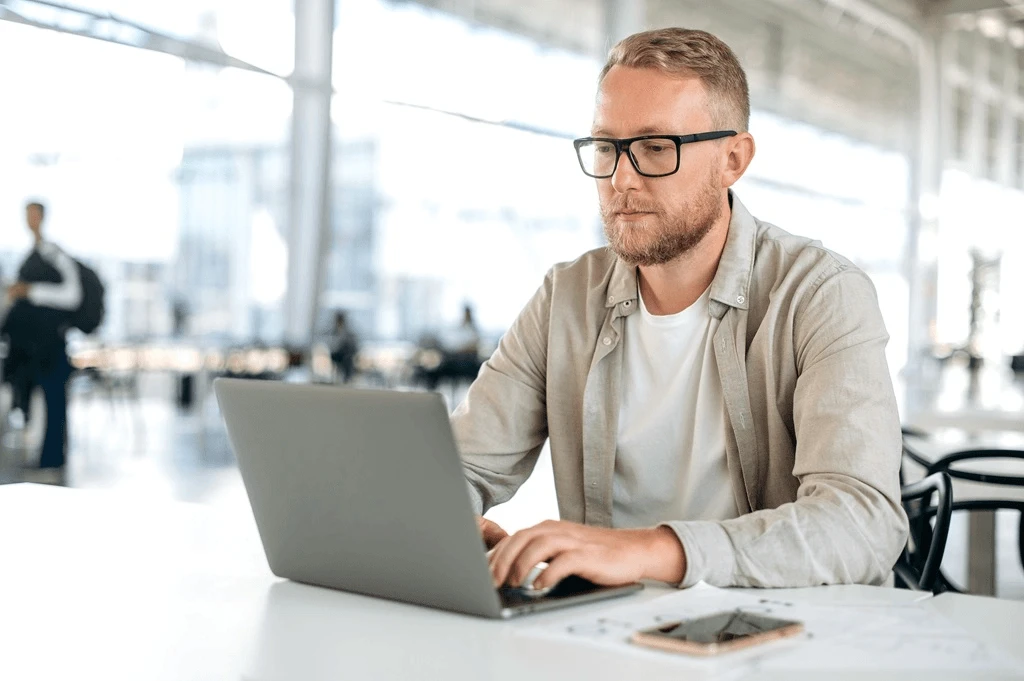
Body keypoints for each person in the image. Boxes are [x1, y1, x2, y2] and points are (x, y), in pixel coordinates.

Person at [454, 28, 908, 592]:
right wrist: (439, 517)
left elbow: (862, 524)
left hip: (779, 633)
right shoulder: (566, 297)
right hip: (606, 631)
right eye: (606, 147)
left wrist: (651, 551)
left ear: (733, 159)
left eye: (655, 148)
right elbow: (463, 468)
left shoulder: (820, 293)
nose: (621, 178)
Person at [2, 201, 81, 473]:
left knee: (54, 402)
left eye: (34, 215)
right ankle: (45, 459)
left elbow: (72, 296)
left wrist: (30, 291)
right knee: (39, 402)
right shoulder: (30, 254)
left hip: (51, 345)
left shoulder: (52, 253)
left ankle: (53, 461)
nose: (30, 220)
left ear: (43, 217)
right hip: (32, 346)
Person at [328, 310, 360, 383]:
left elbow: (353, 345)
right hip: (336, 353)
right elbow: (332, 343)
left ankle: (347, 378)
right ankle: (337, 378)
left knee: (347, 360)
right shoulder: (333, 331)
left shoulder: (348, 331)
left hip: (346, 354)